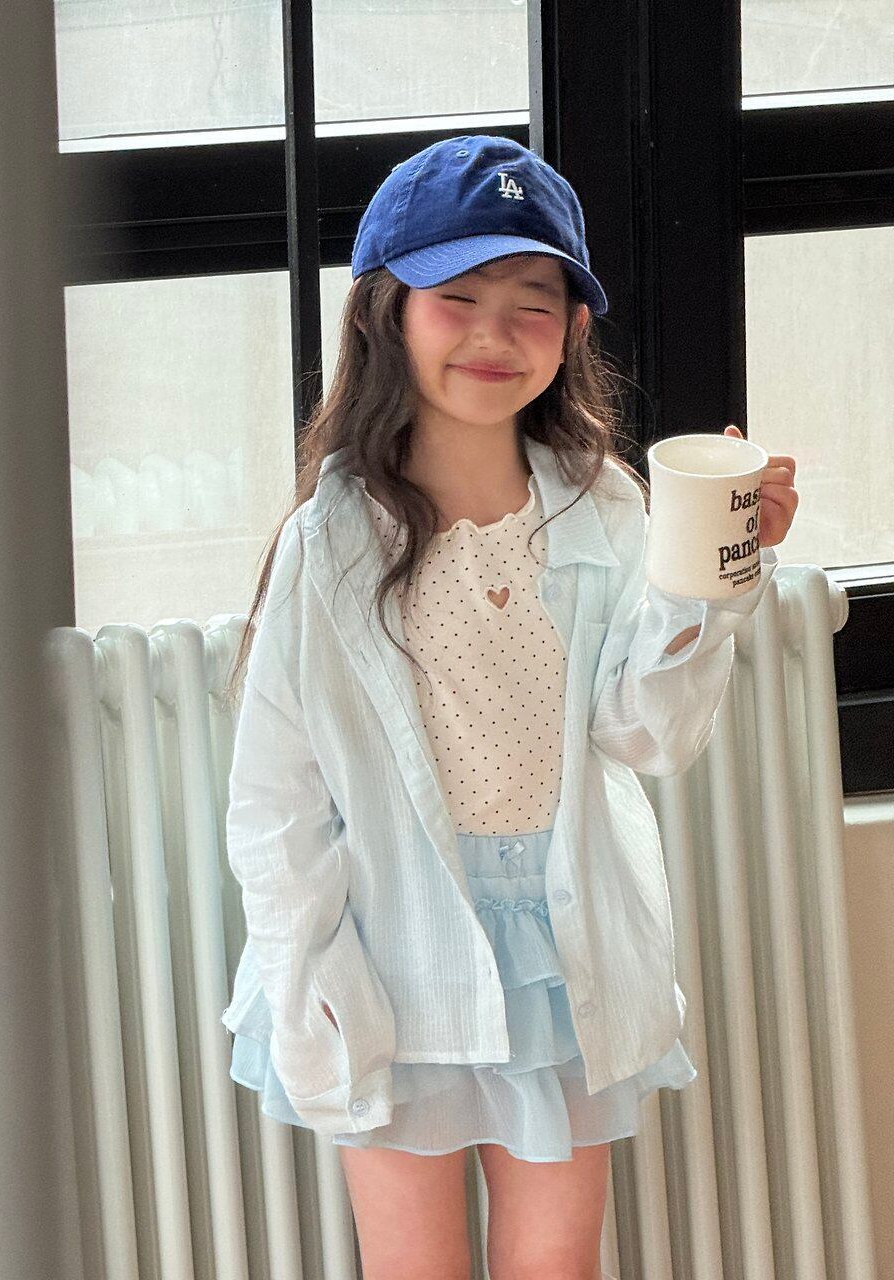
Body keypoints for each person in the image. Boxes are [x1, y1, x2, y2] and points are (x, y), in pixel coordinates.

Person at [218, 134, 799, 1279]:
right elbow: (274, 799)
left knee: (554, 1262)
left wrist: (712, 575)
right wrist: (309, 972)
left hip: (559, 949)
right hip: (390, 947)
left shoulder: (603, 505)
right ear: (384, 312)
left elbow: (646, 732)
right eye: (457, 297)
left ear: (572, 329)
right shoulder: (330, 539)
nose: (493, 334)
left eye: (531, 305)